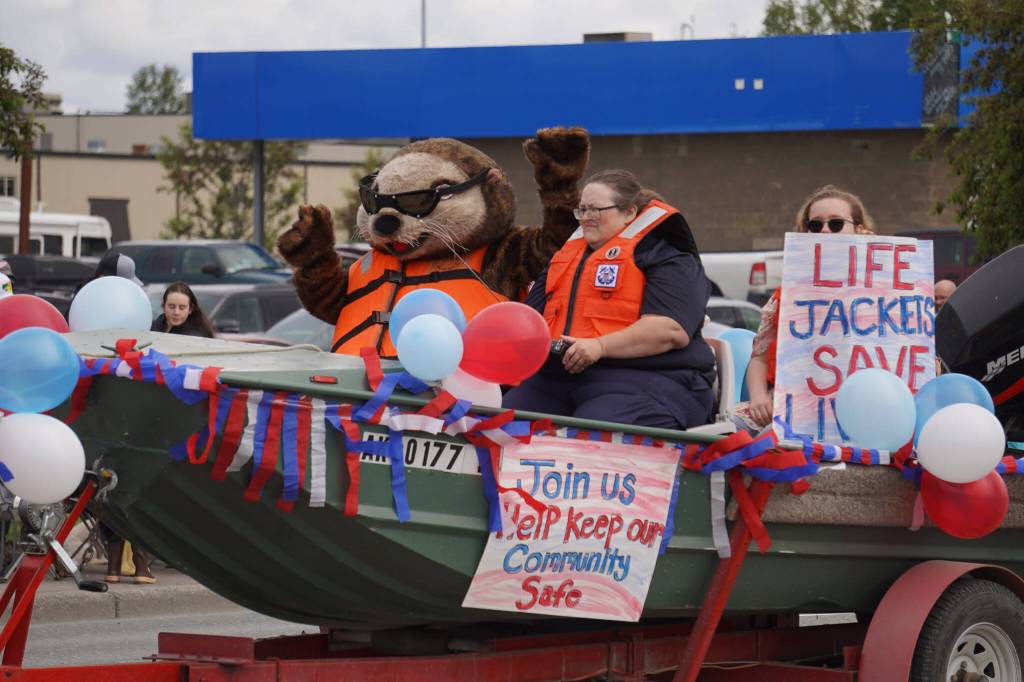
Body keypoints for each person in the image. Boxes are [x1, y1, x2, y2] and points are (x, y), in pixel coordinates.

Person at [503, 169, 716, 430]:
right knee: (502, 422)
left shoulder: (670, 258)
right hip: (561, 376)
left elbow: (669, 330)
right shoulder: (567, 259)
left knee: (594, 430)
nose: (586, 218)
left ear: (629, 213)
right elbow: (529, 319)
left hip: (651, 379)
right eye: (582, 210)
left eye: (596, 210)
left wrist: (600, 346)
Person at [736, 185, 876, 430]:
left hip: (862, 412)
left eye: (835, 224)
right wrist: (758, 398)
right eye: (815, 225)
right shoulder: (786, 296)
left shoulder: (887, 293)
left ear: (860, 230)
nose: (824, 230)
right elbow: (759, 356)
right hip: (788, 408)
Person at [151, 282, 216, 337]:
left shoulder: (194, 336)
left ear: (190, 309)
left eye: (182, 308)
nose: (176, 312)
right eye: (171, 307)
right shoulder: (152, 326)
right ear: (163, 306)